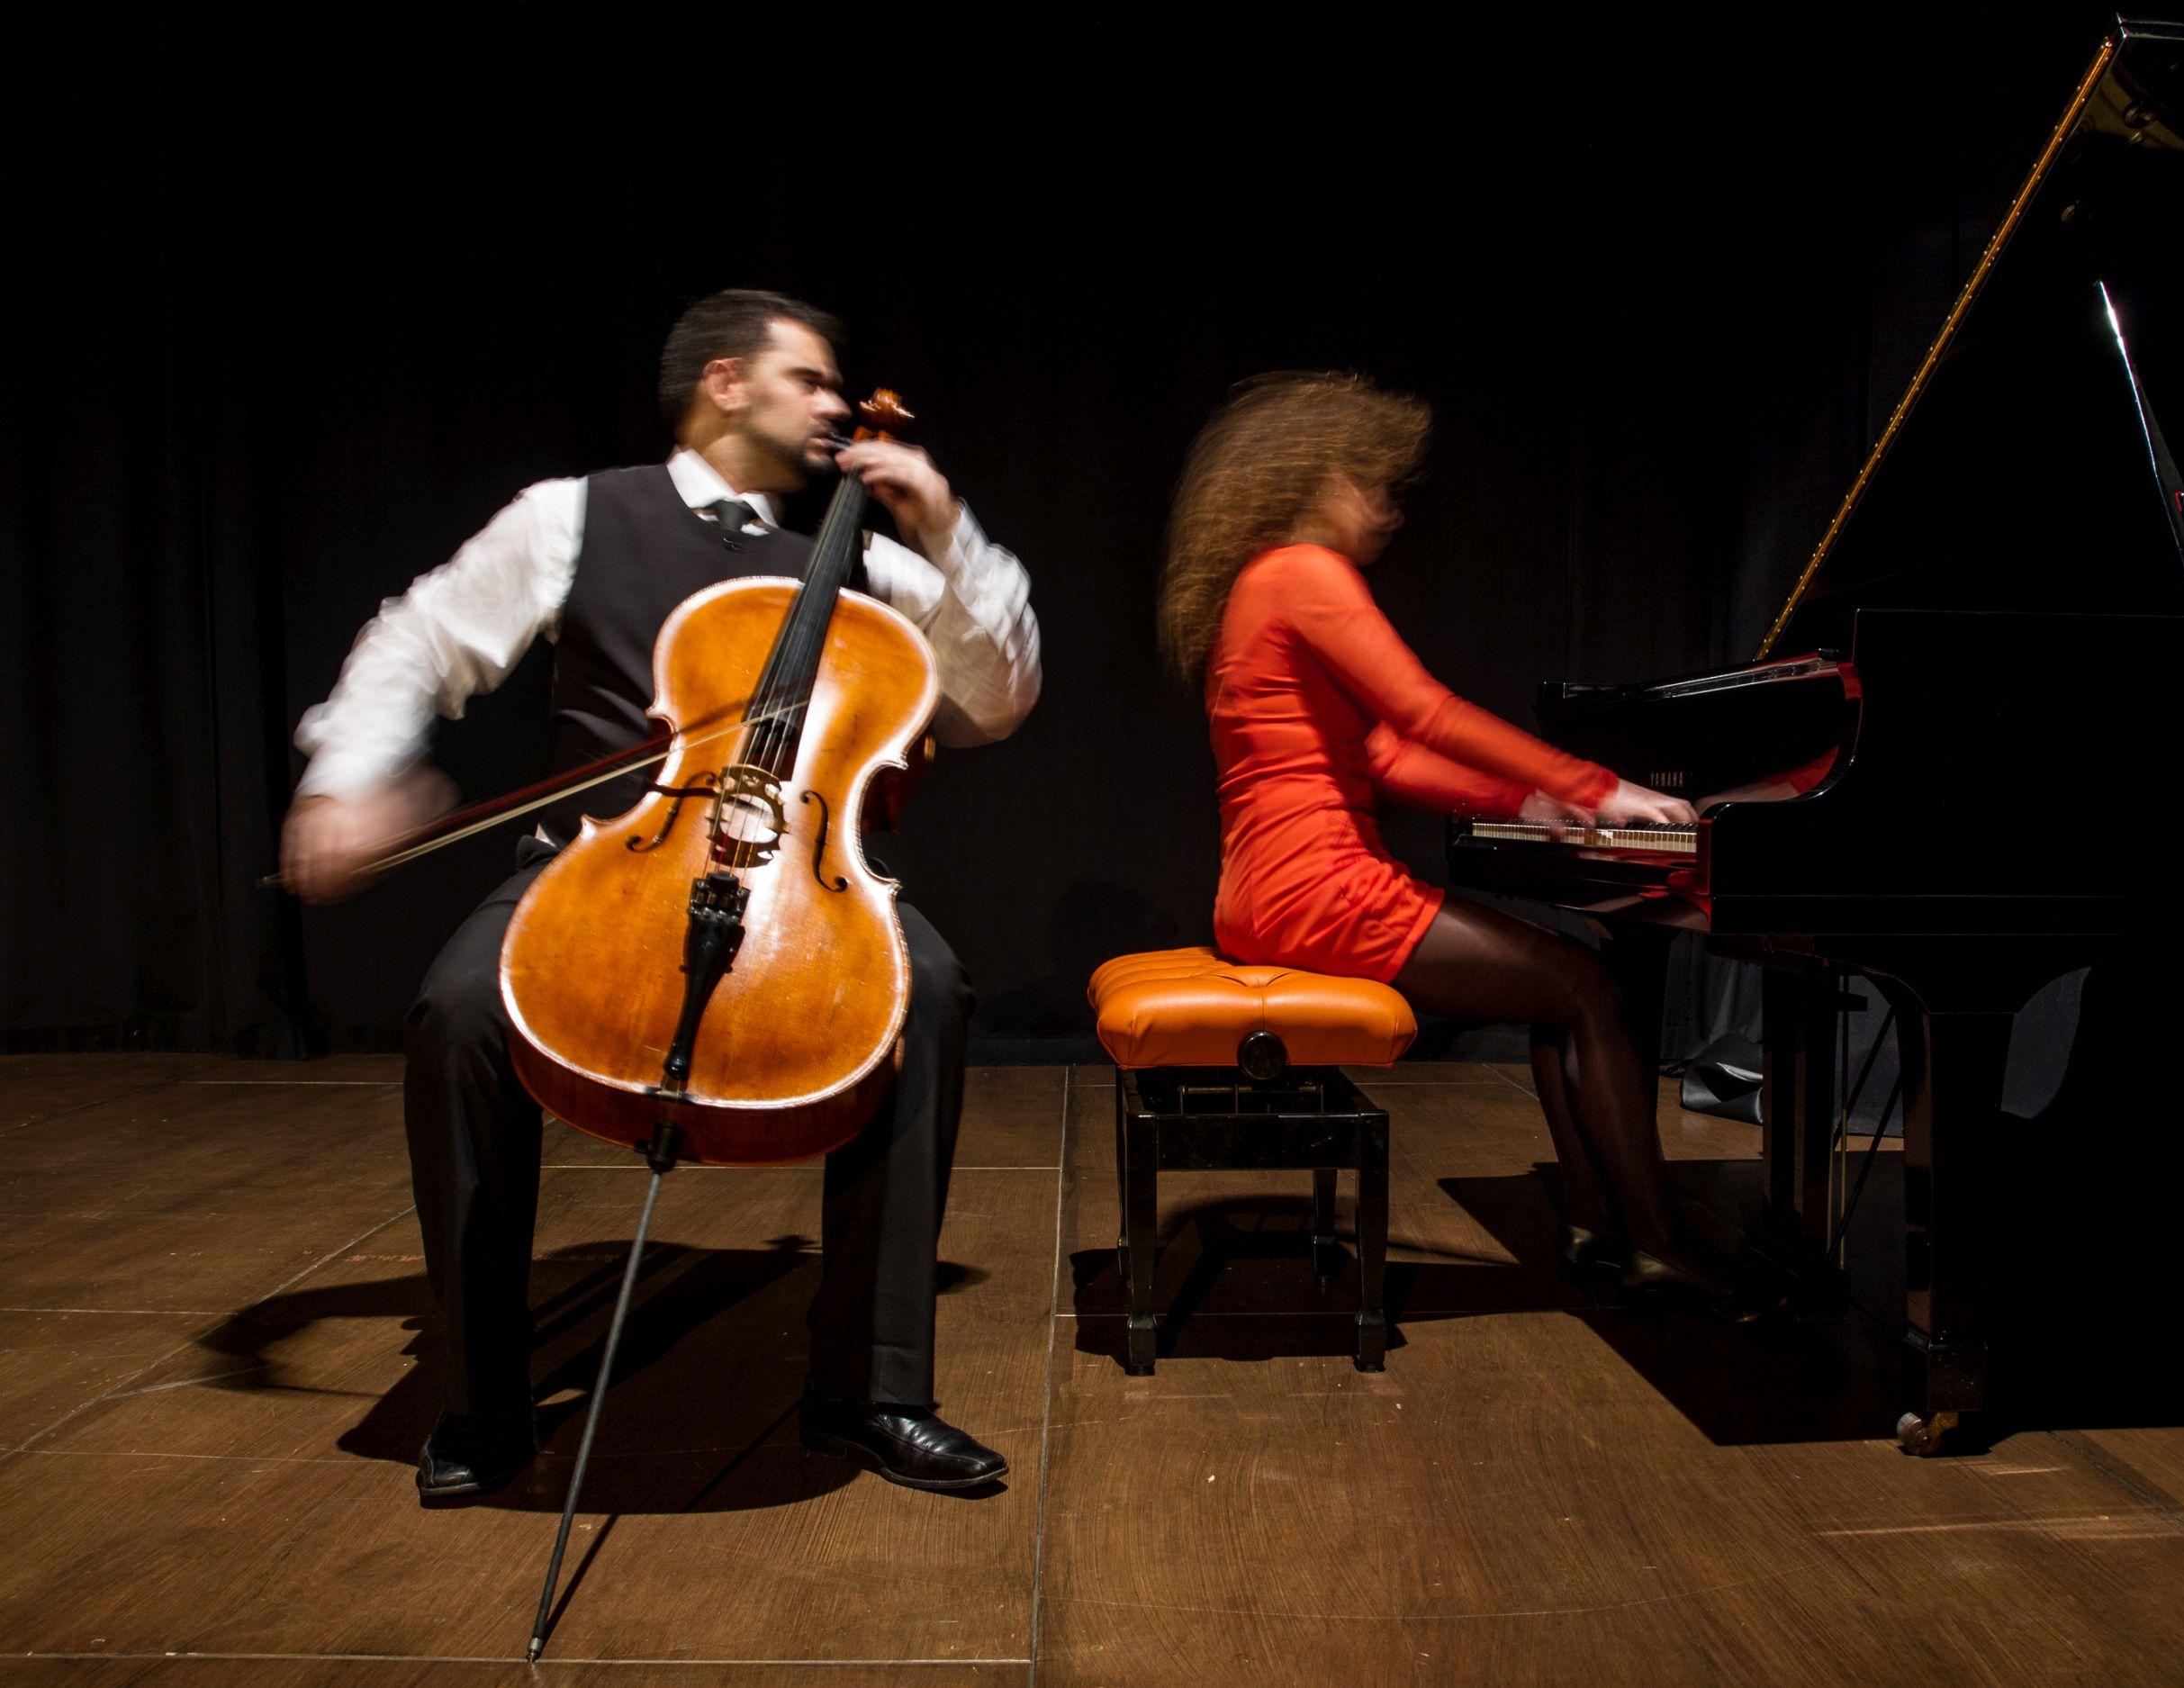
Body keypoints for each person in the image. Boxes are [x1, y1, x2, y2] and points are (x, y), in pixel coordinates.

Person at [281, 289, 1041, 1498]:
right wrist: (347, 779)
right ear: (724, 383)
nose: (837, 405)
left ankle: (872, 1388)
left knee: (931, 990)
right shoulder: (573, 516)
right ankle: (482, 1399)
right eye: (810, 379)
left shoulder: (863, 561)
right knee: (460, 1013)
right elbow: (419, 638)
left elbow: (995, 698)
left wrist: (948, 529)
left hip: (803, 863)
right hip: (598, 857)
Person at [1159, 372, 1756, 1314]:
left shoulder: (1258, 586)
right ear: (1313, 478)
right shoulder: (1300, 572)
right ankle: (1659, 1240)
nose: (1390, 510)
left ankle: (1599, 1225)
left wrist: (1527, 799)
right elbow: (1422, 711)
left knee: (1560, 988)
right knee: (1589, 989)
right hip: (1321, 889)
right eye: (1374, 485)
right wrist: (1593, 788)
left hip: (1264, 894)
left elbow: (1387, 757)